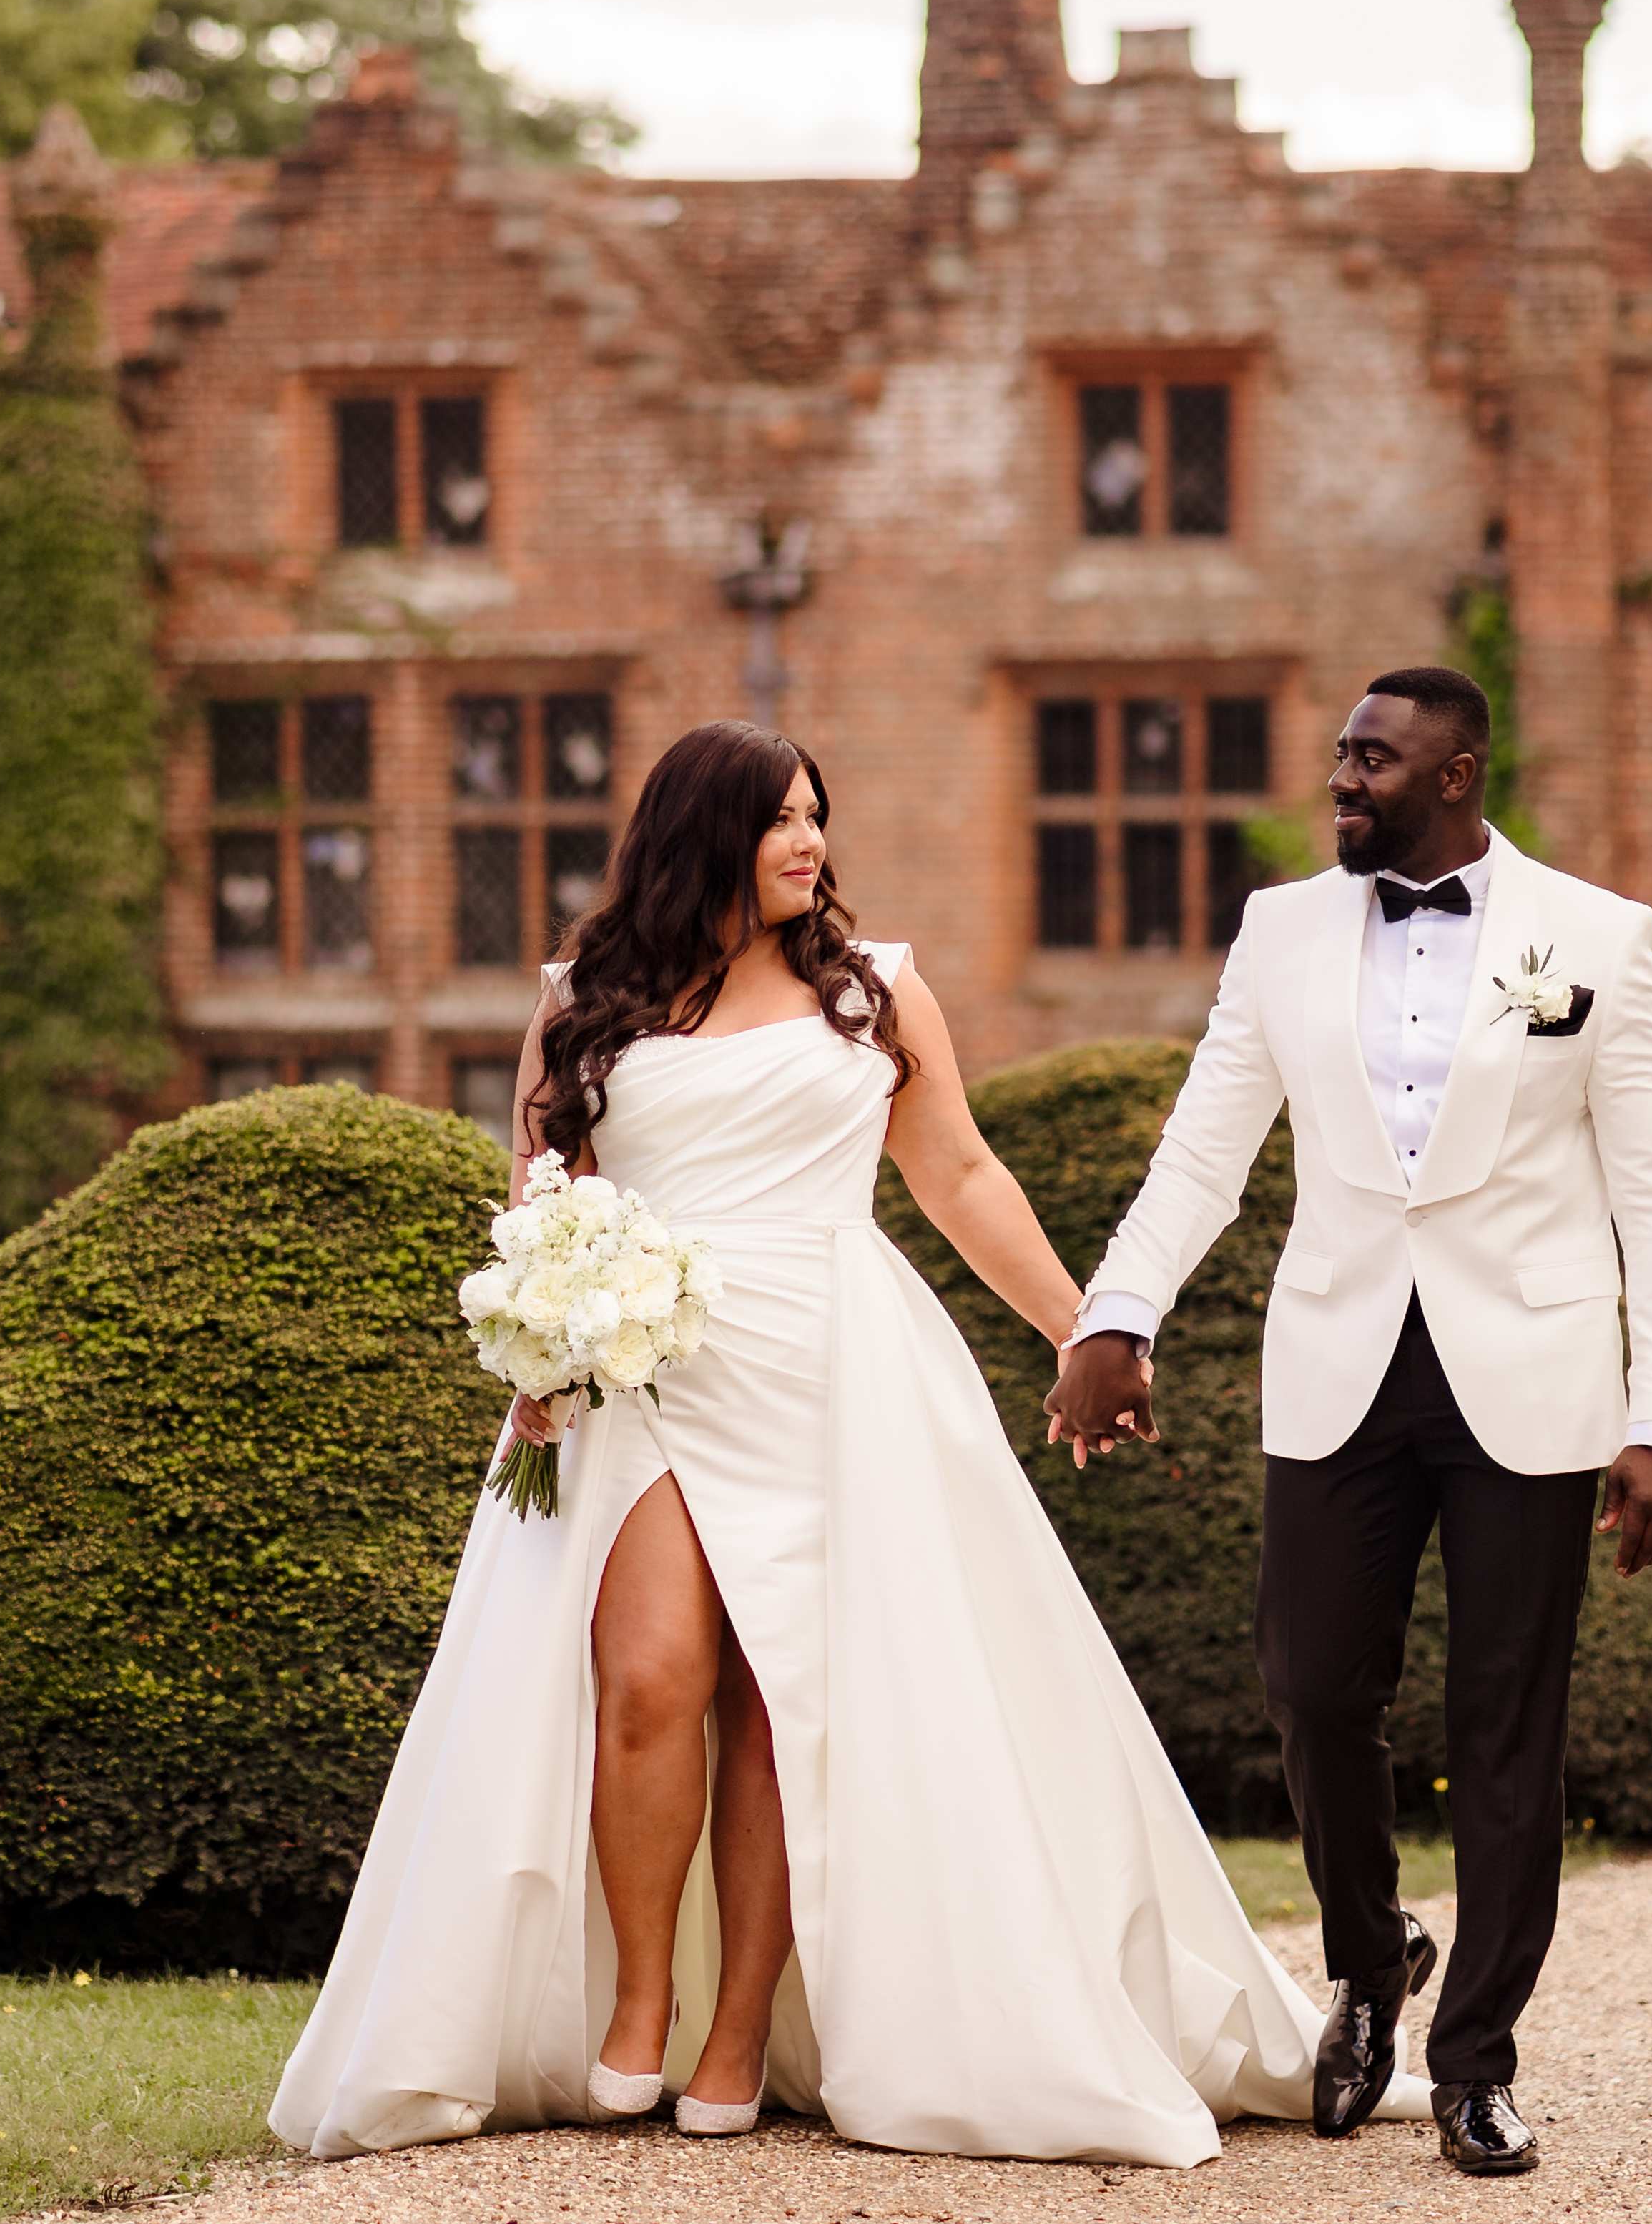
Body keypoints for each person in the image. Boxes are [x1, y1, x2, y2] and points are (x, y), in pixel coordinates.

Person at [270, 719, 1409, 2164]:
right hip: (639, 1369)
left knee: (777, 1694)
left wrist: (1089, 1327)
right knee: (646, 1676)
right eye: (779, 821)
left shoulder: (874, 995)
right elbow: (538, 1185)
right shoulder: (583, 999)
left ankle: (738, 2033)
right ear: (700, 834)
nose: (809, 843)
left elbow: (959, 1172)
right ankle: (638, 2002)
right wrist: (542, 1330)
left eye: (816, 816)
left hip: (826, 1359)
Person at [1050, 666, 1652, 2180]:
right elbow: (1204, 1146)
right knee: (1309, 1684)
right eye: (1339, 757)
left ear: (1457, 771)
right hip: (1338, 1362)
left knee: (1504, 1730)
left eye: (1372, 760)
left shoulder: (1595, 937)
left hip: (1534, 1382)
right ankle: (1368, 1959)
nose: (1341, 780)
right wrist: (1114, 1312)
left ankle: (1475, 2062)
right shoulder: (1280, 931)